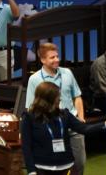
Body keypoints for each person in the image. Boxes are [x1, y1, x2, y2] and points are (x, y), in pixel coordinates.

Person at [25, 42, 86, 173]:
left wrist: (80, 117)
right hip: (51, 126)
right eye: (52, 57)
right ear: (42, 60)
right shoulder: (34, 79)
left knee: (80, 162)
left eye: (57, 56)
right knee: (57, 165)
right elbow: (31, 106)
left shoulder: (67, 73)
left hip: (72, 122)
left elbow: (77, 96)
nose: (57, 59)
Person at [21, 81, 100, 174]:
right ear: (48, 99)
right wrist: (31, 171)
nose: (60, 99)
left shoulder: (64, 115)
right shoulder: (29, 117)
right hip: (42, 168)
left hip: (67, 167)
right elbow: (26, 146)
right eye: (57, 96)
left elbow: (84, 129)